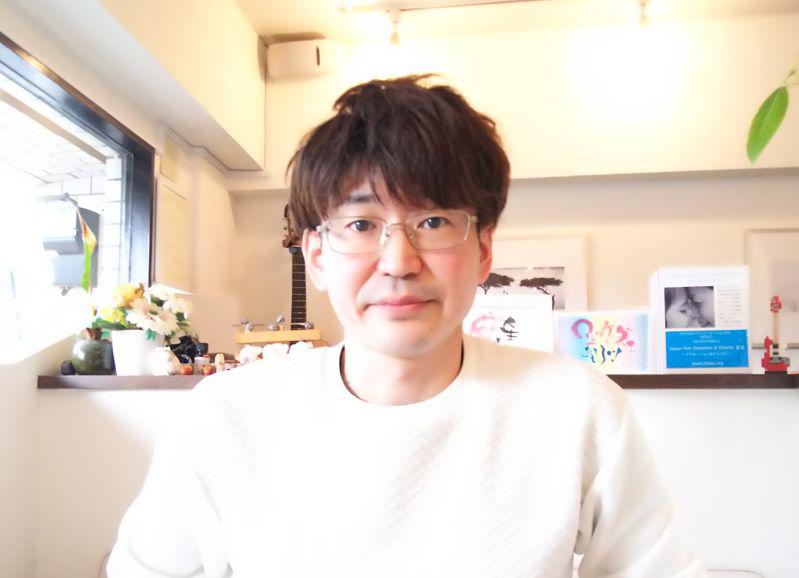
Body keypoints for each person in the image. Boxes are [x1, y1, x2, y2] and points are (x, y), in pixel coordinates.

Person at [107, 76, 706, 578]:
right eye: (361, 225)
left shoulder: (577, 410)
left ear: (483, 250)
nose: (398, 261)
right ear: (317, 256)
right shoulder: (227, 415)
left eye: (434, 221)